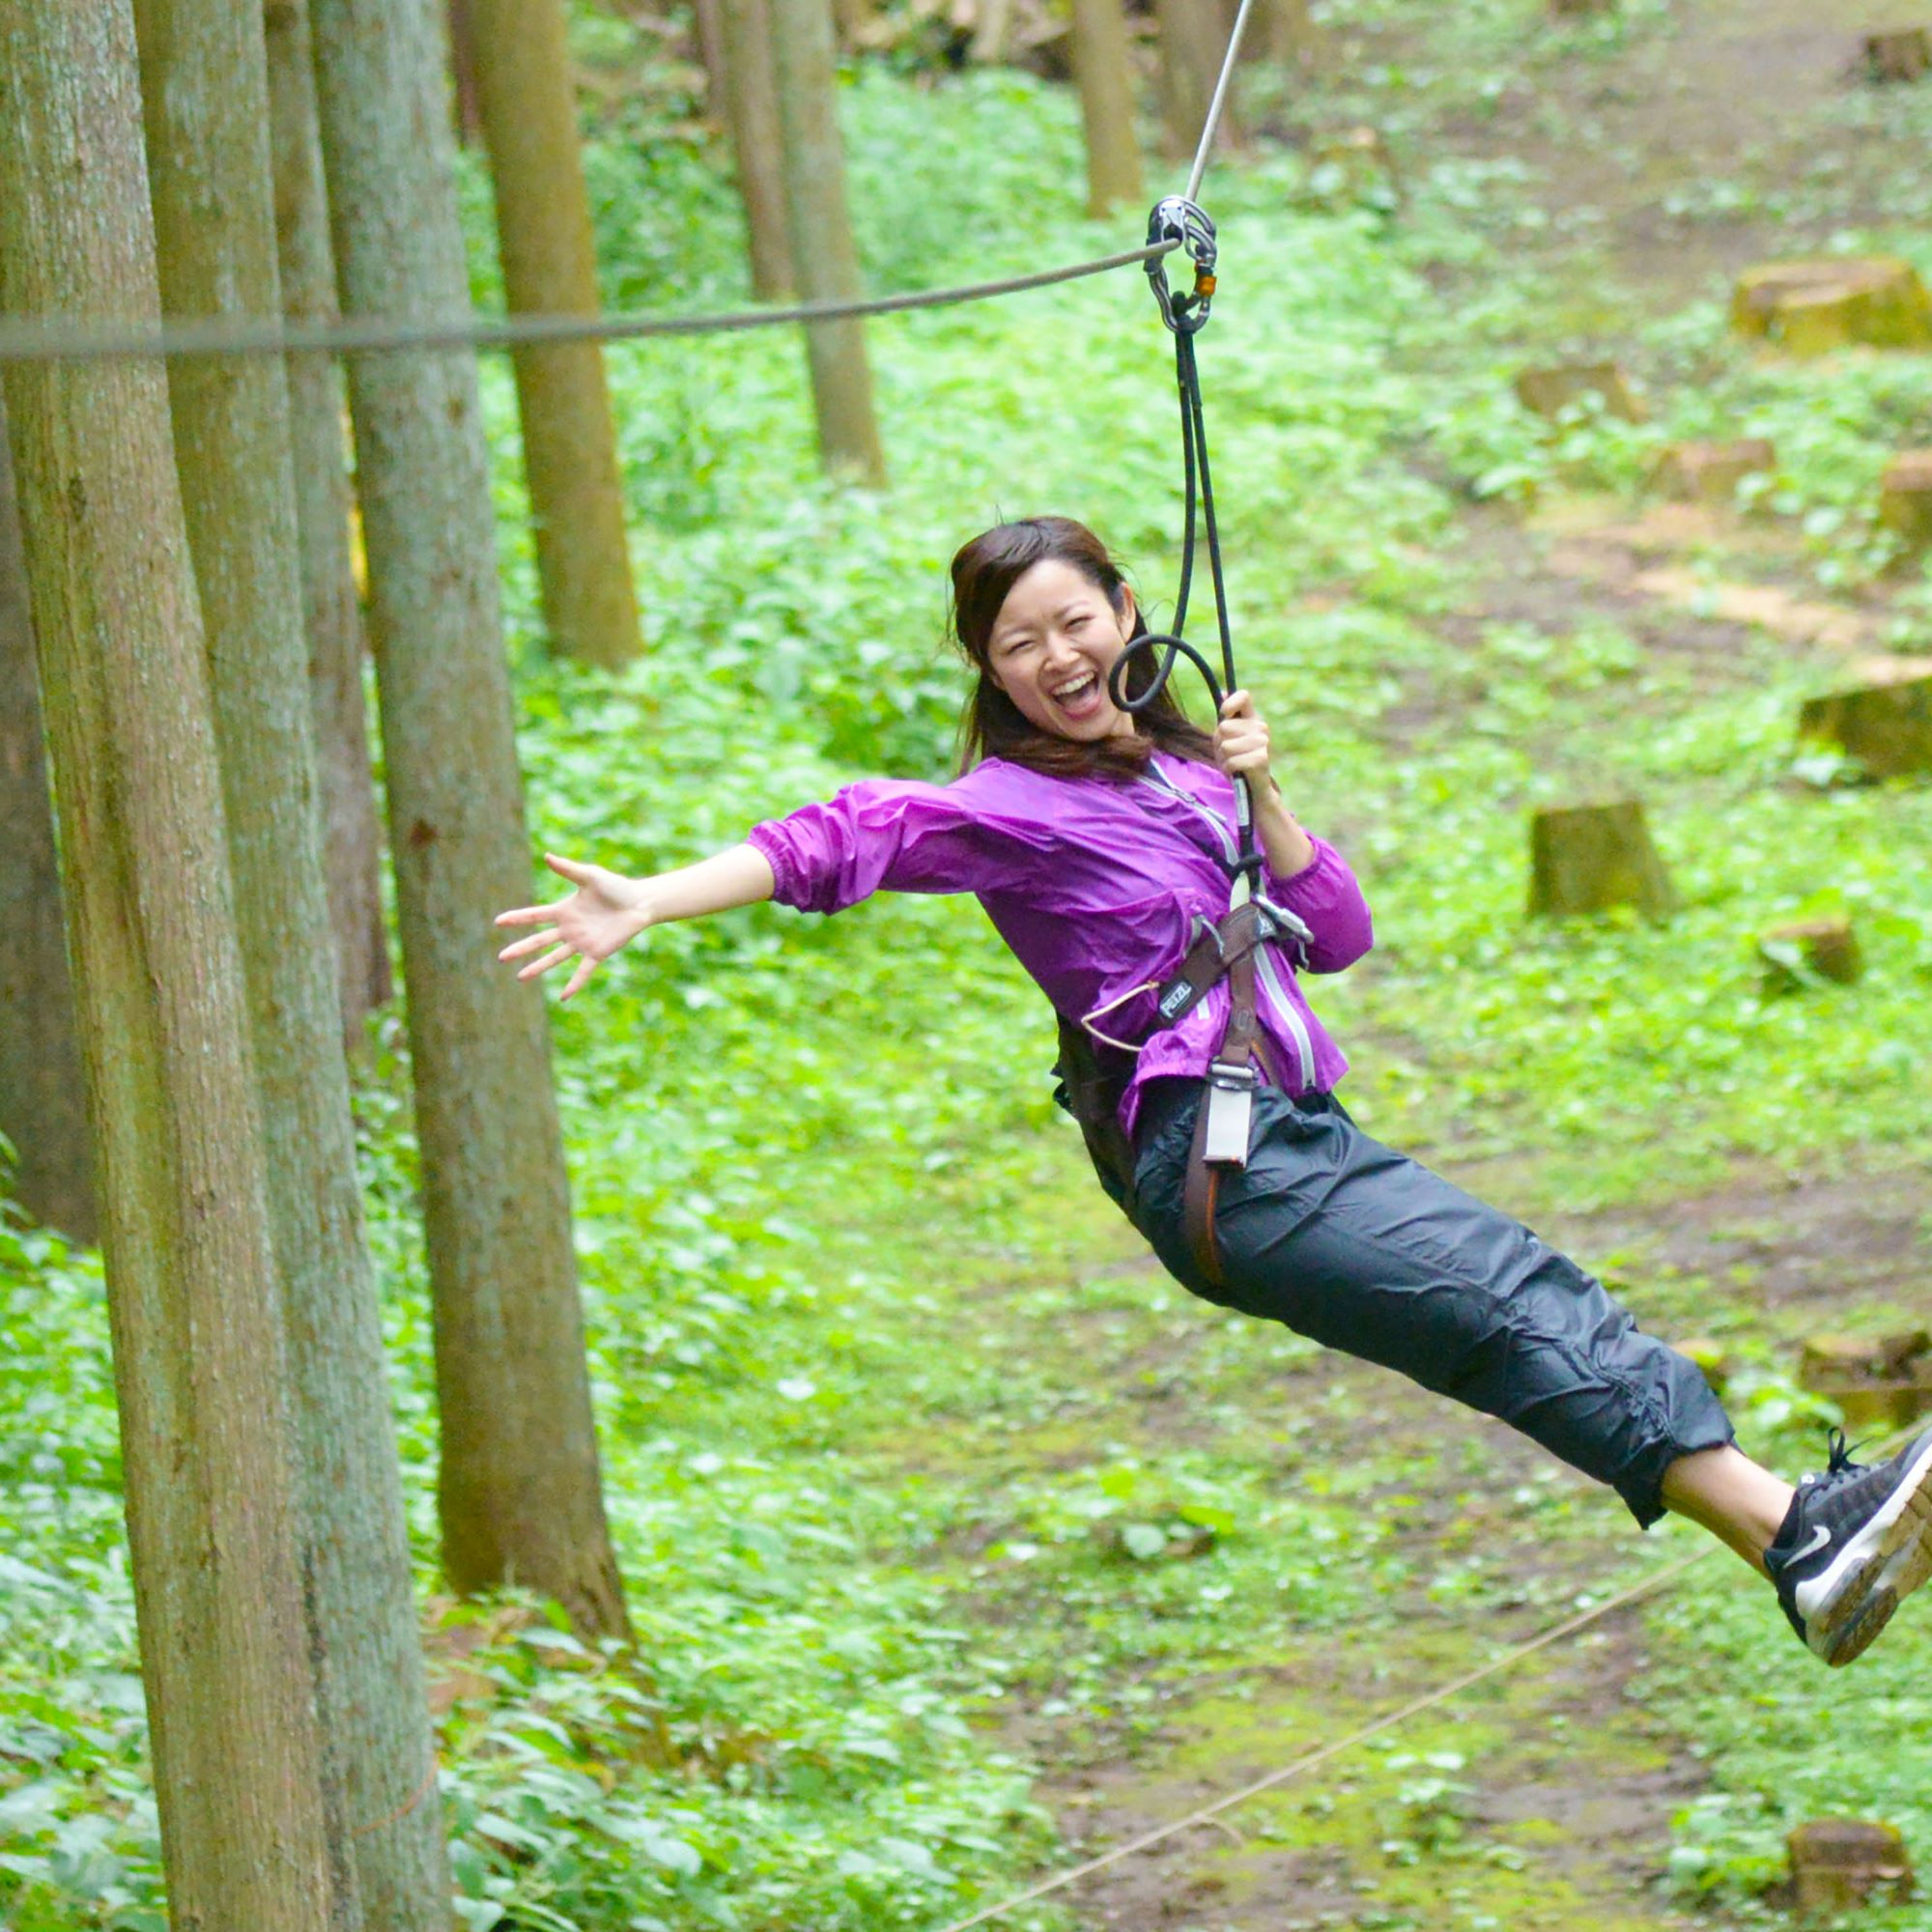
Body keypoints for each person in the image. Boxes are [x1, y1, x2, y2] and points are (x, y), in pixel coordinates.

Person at [496, 514, 1932, 1667]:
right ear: (989, 671)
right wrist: (654, 897)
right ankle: (1801, 1534)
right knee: (1498, 1297)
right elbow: (846, 834)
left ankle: (1796, 1551)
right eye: (1018, 644)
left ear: (1127, 612)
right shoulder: (1011, 809)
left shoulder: (1185, 775)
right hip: (1217, 1164)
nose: (1057, 657)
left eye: (1074, 621)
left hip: (1292, 1134)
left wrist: (1262, 788)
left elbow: (1340, 931)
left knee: (1515, 1303)